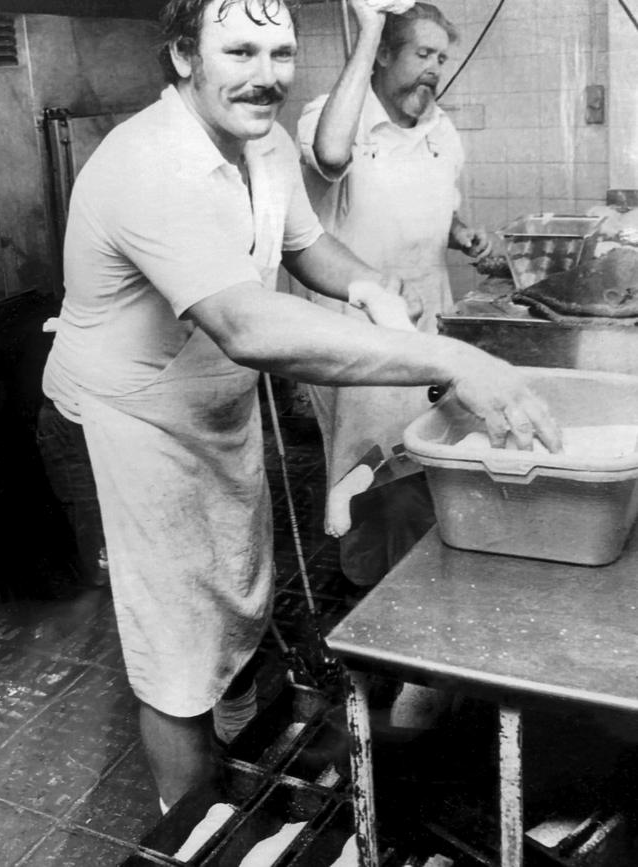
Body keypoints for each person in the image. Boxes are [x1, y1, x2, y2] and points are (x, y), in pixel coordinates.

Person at [40, 0, 559, 812]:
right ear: (183, 56)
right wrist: (450, 356)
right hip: (124, 419)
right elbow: (246, 324)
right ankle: (200, 825)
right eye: (239, 50)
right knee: (175, 647)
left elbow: (304, 243)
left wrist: (366, 285)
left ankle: (242, 740)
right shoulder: (147, 163)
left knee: (238, 587)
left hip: (210, 404)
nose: (266, 75)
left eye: (280, 53)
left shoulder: (267, 143)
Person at [297, 0, 492, 587]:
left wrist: (464, 235)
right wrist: (369, 30)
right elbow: (330, 158)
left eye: (441, 57)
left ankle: (428, 577)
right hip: (358, 333)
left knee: (430, 457)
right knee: (369, 468)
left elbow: (441, 208)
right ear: (383, 55)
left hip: (433, 319)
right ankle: (373, 594)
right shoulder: (331, 118)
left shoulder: (441, 128)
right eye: (422, 54)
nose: (434, 68)